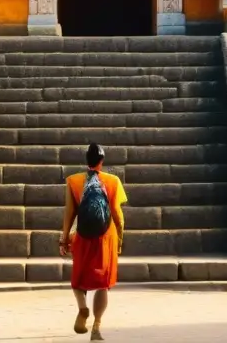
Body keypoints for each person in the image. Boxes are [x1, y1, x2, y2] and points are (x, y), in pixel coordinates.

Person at [59, 143, 127, 341]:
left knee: (78, 280)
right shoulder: (113, 181)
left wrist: (64, 239)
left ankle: (82, 307)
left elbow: (69, 214)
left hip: (83, 236)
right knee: (103, 285)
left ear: (86, 160)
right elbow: (118, 216)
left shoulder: (73, 181)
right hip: (106, 237)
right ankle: (96, 327)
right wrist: (120, 240)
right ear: (102, 161)